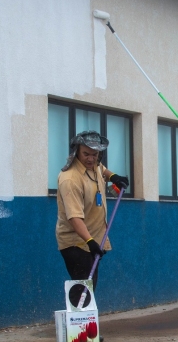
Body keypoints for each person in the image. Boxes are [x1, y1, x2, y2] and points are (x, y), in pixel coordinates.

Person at [55, 131, 129, 309]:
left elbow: (101, 169)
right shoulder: (70, 179)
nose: (91, 159)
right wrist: (90, 242)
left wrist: (114, 177)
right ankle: (78, 324)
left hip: (92, 239)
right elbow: (74, 217)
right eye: (86, 154)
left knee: (89, 285)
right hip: (77, 242)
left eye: (95, 154)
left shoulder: (94, 166)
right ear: (76, 152)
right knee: (82, 288)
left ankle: (83, 322)